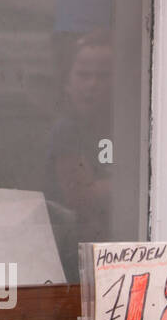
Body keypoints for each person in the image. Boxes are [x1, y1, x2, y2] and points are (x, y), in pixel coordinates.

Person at [45, 31, 115, 279]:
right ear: (67, 83)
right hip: (74, 259)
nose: (92, 84)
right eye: (84, 75)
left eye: (103, 76)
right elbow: (82, 196)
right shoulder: (67, 131)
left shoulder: (127, 128)